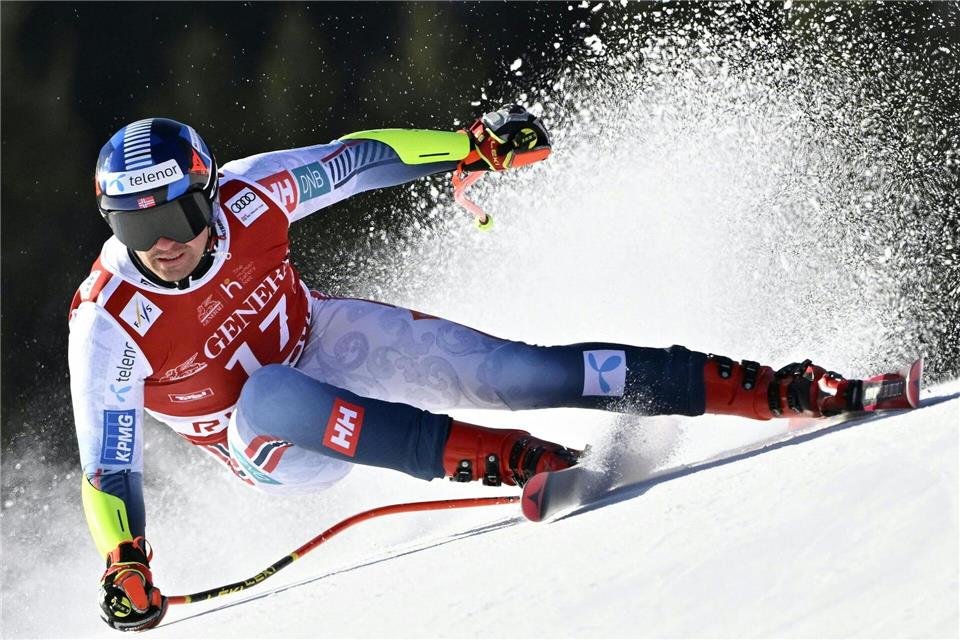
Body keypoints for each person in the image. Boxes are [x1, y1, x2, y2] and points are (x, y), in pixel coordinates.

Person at [70, 107, 862, 631]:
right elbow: (108, 464)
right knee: (271, 394)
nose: (159, 242)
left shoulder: (251, 193)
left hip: (322, 337)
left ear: (208, 194)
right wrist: (127, 561)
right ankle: (519, 460)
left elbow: (358, 160)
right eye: (131, 222)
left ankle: (773, 388)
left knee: (516, 369)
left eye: (173, 215)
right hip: (272, 444)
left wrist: (472, 148)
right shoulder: (108, 319)